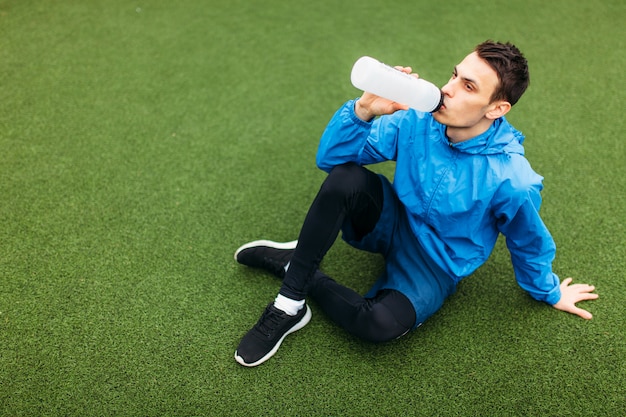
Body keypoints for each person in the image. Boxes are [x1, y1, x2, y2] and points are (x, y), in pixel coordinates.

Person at [232, 41, 599, 367]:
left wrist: (549, 290)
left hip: (435, 264)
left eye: (467, 86)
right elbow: (332, 161)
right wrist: (363, 111)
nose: (447, 89)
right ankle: (289, 304)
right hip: (391, 223)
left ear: (496, 109)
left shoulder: (512, 179)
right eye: (455, 76)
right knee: (347, 178)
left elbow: (527, 240)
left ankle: (294, 265)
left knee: (378, 325)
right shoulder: (416, 120)